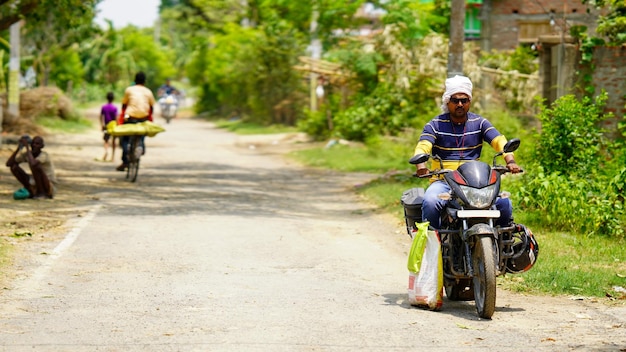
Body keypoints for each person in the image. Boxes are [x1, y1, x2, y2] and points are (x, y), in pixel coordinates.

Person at [413, 75, 521, 229]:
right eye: (455, 100)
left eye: (464, 100)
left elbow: (500, 142)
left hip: (475, 183)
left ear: (469, 101)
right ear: (447, 101)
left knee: (504, 203)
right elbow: (423, 146)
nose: (459, 104)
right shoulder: (435, 125)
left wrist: (510, 161)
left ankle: (504, 247)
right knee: (430, 202)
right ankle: (431, 244)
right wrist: (421, 166)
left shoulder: (480, 123)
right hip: (443, 181)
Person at [117, 71, 156, 171]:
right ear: (144, 81)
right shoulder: (148, 91)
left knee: (125, 139)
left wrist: (122, 118)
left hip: (130, 117)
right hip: (143, 118)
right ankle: (141, 146)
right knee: (141, 134)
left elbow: (124, 104)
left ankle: (125, 161)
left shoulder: (129, 90)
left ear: (135, 80)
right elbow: (151, 107)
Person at [100, 91, 118, 162]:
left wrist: (102, 125)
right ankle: (113, 157)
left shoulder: (104, 107)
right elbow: (116, 118)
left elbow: (101, 116)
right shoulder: (114, 108)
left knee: (106, 140)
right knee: (114, 141)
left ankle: (106, 151)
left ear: (106, 98)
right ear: (113, 99)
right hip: (113, 126)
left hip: (106, 126)